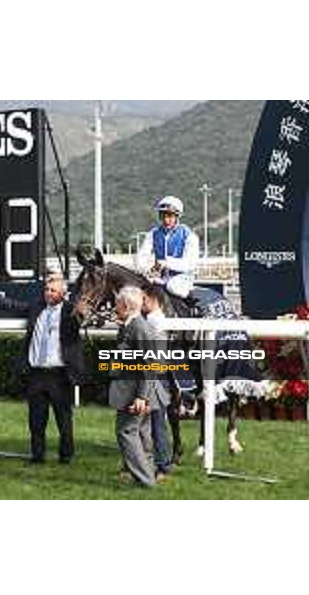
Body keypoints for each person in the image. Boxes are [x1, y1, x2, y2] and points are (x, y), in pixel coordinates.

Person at [0, 273, 86, 464]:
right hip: (36, 374)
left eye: (53, 290)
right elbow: (10, 305)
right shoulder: (37, 307)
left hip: (59, 375)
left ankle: (66, 457)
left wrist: (83, 309)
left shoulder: (71, 311)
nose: (48, 293)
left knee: (64, 421)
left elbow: (85, 315)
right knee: (36, 420)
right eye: (47, 290)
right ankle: (37, 456)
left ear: (63, 293)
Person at [110, 285, 165, 488]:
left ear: (125, 305)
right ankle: (146, 475)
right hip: (138, 390)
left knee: (126, 431)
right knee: (142, 433)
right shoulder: (132, 325)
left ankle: (145, 479)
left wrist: (142, 397)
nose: (114, 307)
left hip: (137, 392)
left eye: (117, 303)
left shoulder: (139, 327)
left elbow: (150, 365)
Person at [137, 195, 200, 298]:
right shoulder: (153, 234)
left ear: (177, 216)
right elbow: (142, 256)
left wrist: (166, 263)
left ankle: (192, 309)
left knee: (173, 287)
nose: (166, 220)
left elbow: (190, 264)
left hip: (181, 279)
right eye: (163, 216)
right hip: (160, 278)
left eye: (170, 216)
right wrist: (146, 270)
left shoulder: (189, 236)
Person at [142, 285, 173, 479]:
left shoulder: (153, 321)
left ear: (153, 299)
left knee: (156, 423)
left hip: (154, 377)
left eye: (144, 299)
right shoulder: (156, 319)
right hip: (159, 376)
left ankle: (162, 465)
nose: (141, 303)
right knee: (156, 423)